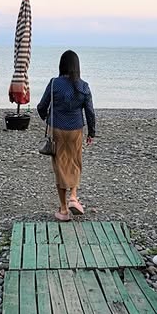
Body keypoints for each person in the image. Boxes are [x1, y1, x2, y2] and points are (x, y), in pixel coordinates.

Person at [37, 50, 96, 221]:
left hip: (57, 129)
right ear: (77, 66)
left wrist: (47, 119)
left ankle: (63, 210)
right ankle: (74, 197)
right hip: (76, 129)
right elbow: (90, 112)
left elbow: (42, 106)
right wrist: (91, 132)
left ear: (61, 65)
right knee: (75, 162)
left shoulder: (54, 83)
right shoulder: (83, 86)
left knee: (60, 166)